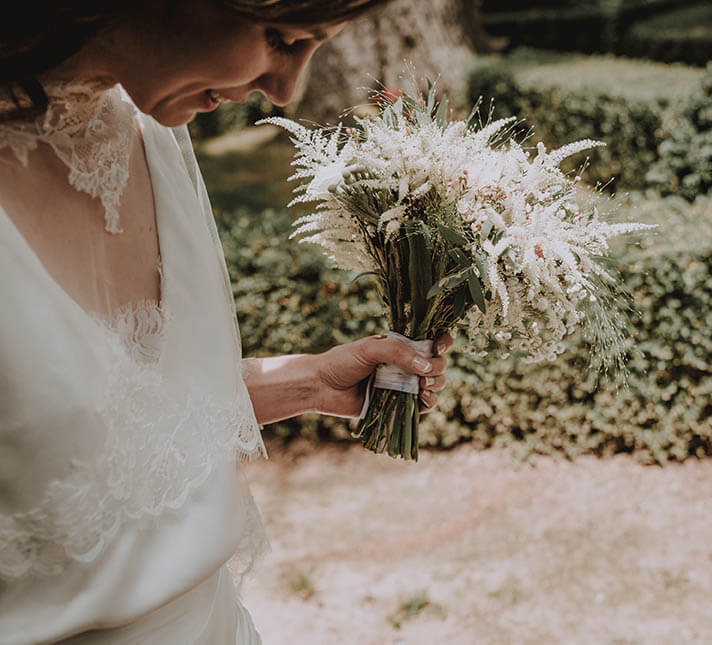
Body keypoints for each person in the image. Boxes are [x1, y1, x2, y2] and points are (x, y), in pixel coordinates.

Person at [0, 1, 452, 642]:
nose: (286, 89)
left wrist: (310, 383)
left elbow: (118, 427)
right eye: (280, 38)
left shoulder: (154, 129)